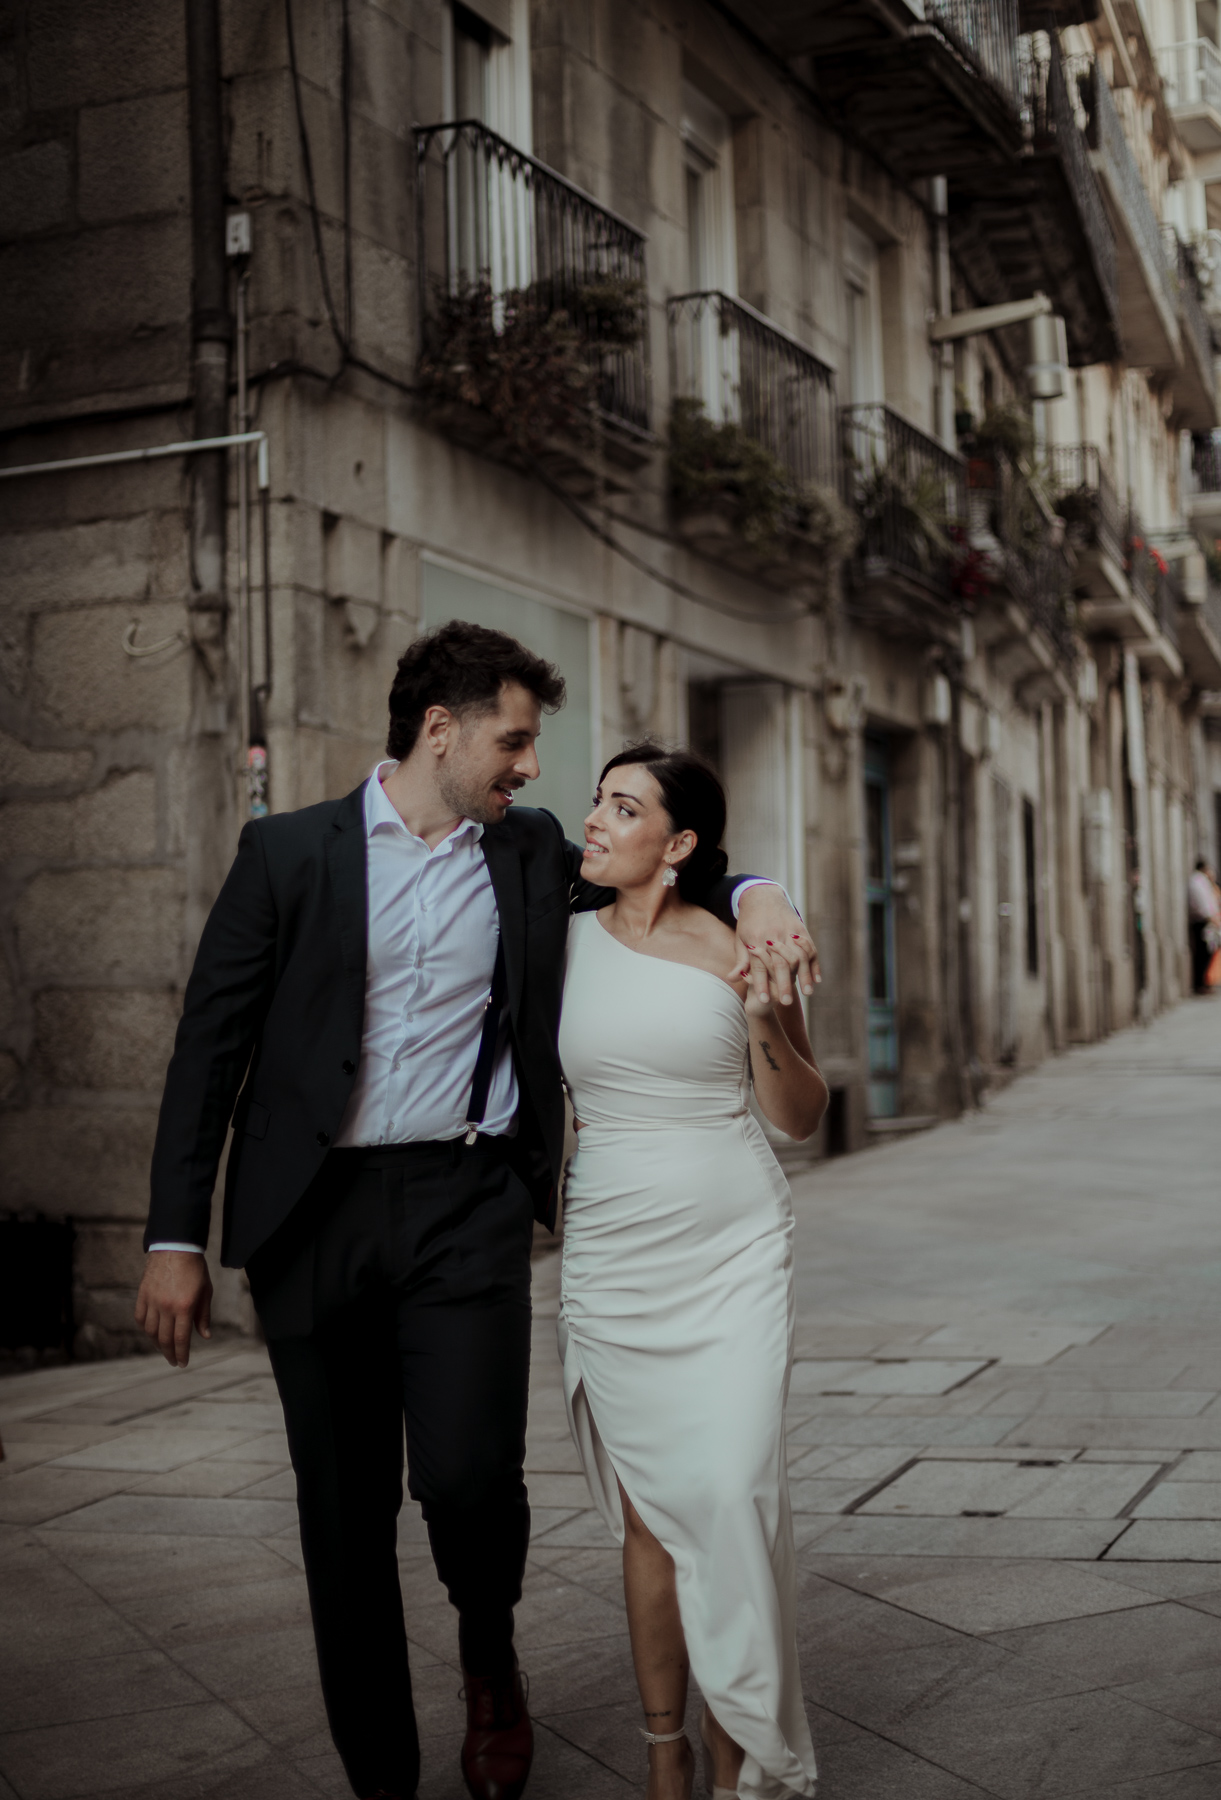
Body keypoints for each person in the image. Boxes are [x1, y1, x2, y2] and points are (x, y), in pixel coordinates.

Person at [133, 621, 816, 1800]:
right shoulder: (285, 854)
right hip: (313, 1217)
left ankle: (489, 1652)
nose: (531, 769)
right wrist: (175, 1237)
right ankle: (382, 1775)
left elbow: (682, 866)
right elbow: (209, 1052)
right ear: (438, 731)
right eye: (514, 740)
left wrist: (759, 895)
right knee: (340, 1521)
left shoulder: (530, 850)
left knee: (469, 1483)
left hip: (466, 1207)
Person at [557, 744, 827, 1800]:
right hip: (613, 1252)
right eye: (597, 800)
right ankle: (668, 1751)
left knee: (728, 1490)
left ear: (676, 845)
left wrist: (764, 1017)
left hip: (734, 1247)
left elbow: (801, 1117)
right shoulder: (557, 938)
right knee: (647, 1516)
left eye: (624, 808)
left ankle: (744, 1744)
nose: (594, 820)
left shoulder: (743, 945)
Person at [1188, 856, 1220, 995]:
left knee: (1206, 954)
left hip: (1206, 921)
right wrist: (1211, 918)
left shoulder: (1202, 881)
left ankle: (1205, 983)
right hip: (1202, 922)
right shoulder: (1197, 881)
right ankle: (1201, 984)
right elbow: (1203, 904)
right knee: (1203, 954)